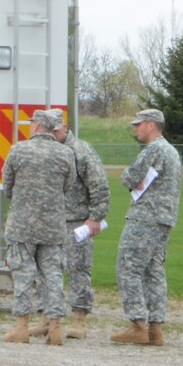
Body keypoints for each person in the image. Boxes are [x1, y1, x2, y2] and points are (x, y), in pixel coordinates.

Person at [0, 107, 76, 346]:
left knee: (23, 274)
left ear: (36, 126)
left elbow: (7, 187)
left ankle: (22, 327)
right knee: (53, 275)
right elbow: (68, 185)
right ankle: (55, 328)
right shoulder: (65, 154)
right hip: (53, 226)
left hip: (22, 225)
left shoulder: (19, 150)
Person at [113, 107, 183, 346]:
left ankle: (137, 324)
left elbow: (129, 178)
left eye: (139, 124)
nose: (136, 129)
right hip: (164, 219)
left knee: (128, 267)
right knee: (154, 270)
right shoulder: (172, 151)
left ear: (151, 125)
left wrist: (126, 174)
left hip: (145, 217)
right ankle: (155, 328)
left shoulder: (153, 150)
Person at [50, 112, 112, 339]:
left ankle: (79, 319)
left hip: (77, 221)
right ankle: (48, 318)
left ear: (65, 127)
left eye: (56, 130)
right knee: (48, 271)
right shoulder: (48, 150)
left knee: (78, 269)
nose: (52, 134)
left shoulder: (81, 150)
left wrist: (95, 217)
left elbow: (99, 186)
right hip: (51, 221)